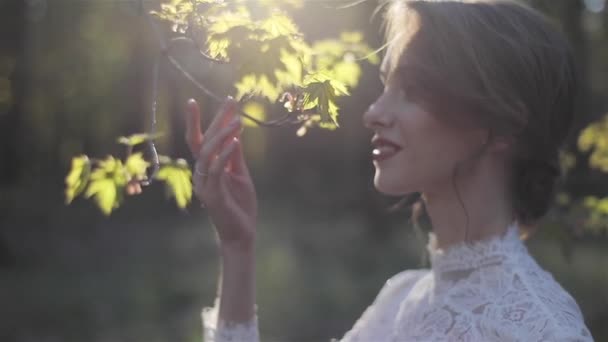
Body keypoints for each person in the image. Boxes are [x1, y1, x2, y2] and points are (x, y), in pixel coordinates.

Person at [185, 0, 594, 341]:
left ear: (503, 125)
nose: (373, 114)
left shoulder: (544, 331)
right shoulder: (398, 302)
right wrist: (237, 248)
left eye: (413, 91)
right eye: (385, 86)